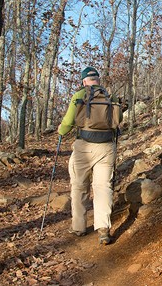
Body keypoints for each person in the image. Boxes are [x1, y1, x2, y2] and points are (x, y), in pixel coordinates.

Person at [58, 66, 120, 245]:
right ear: (98, 80)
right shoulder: (110, 96)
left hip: (84, 147)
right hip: (107, 146)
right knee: (103, 187)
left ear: (84, 81)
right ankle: (103, 229)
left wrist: (61, 131)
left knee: (79, 186)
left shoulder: (79, 96)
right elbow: (118, 119)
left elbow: (69, 121)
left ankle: (79, 227)